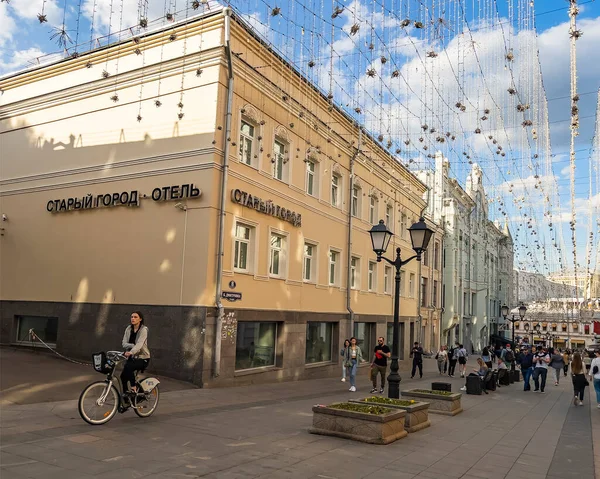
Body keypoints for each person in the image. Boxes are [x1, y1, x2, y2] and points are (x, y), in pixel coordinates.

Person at [121, 311, 151, 399]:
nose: (133, 319)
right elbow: (124, 343)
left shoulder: (143, 330)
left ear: (140, 319)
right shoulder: (128, 329)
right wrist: (132, 346)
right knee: (123, 376)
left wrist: (131, 351)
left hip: (143, 358)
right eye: (131, 317)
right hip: (132, 357)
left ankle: (133, 389)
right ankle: (126, 397)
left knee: (129, 367)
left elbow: (140, 344)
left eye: (135, 317)